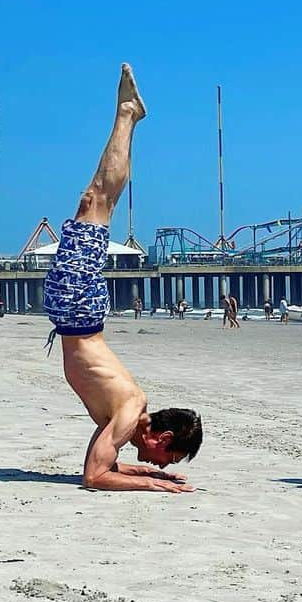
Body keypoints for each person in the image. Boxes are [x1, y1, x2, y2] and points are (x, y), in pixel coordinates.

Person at [42, 64, 201, 492]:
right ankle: (127, 114)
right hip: (77, 314)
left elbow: (97, 466)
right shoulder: (130, 412)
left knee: (96, 202)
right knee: (95, 200)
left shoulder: (129, 418)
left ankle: (129, 115)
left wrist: (145, 471)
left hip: (77, 315)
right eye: (167, 458)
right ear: (163, 438)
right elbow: (96, 477)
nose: (161, 463)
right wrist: (154, 485)